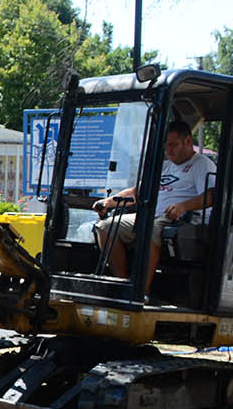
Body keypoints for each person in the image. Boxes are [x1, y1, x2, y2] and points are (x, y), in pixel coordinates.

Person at [92, 120, 216, 296]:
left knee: (152, 228)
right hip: (152, 215)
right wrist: (109, 202)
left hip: (182, 220)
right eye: (166, 145)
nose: (168, 150)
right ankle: (123, 283)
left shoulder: (202, 164)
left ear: (188, 141)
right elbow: (139, 193)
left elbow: (212, 196)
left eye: (173, 145)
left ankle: (142, 290)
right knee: (105, 227)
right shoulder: (165, 166)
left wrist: (183, 206)